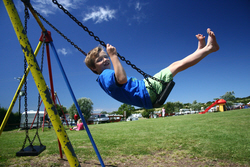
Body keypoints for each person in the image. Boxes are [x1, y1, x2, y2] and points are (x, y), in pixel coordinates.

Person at [84, 28, 219, 109]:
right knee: (177, 66)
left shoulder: (103, 79)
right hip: (146, 92)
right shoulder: (104, 75)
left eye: (105, 56)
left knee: (174, 65)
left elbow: (120, 80)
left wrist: (111, 57)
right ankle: (209, 49)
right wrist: (113, 55)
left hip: (146, 91)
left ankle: (199, 51)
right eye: (99, 60)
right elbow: (122, 79)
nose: (105, 59)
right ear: (93, 68)